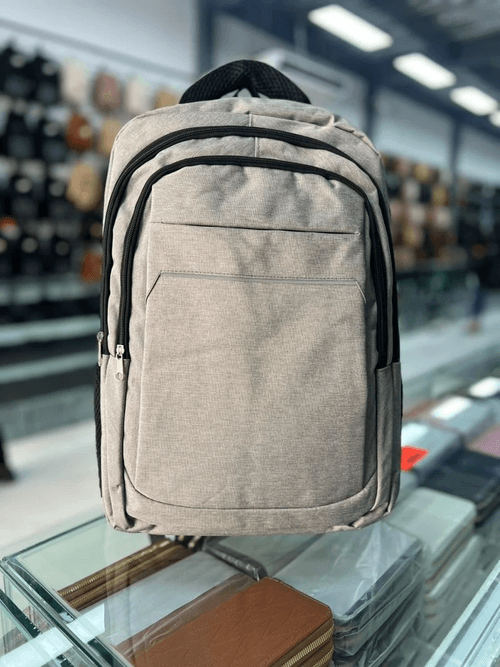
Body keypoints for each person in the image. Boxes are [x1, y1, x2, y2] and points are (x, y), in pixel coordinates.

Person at [467, 241, 491, 334]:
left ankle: (475, 323)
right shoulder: (473, 262)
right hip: (478, 287)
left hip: (486, 286)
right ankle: (474, 324)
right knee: (476, 304)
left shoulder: (488, 261)